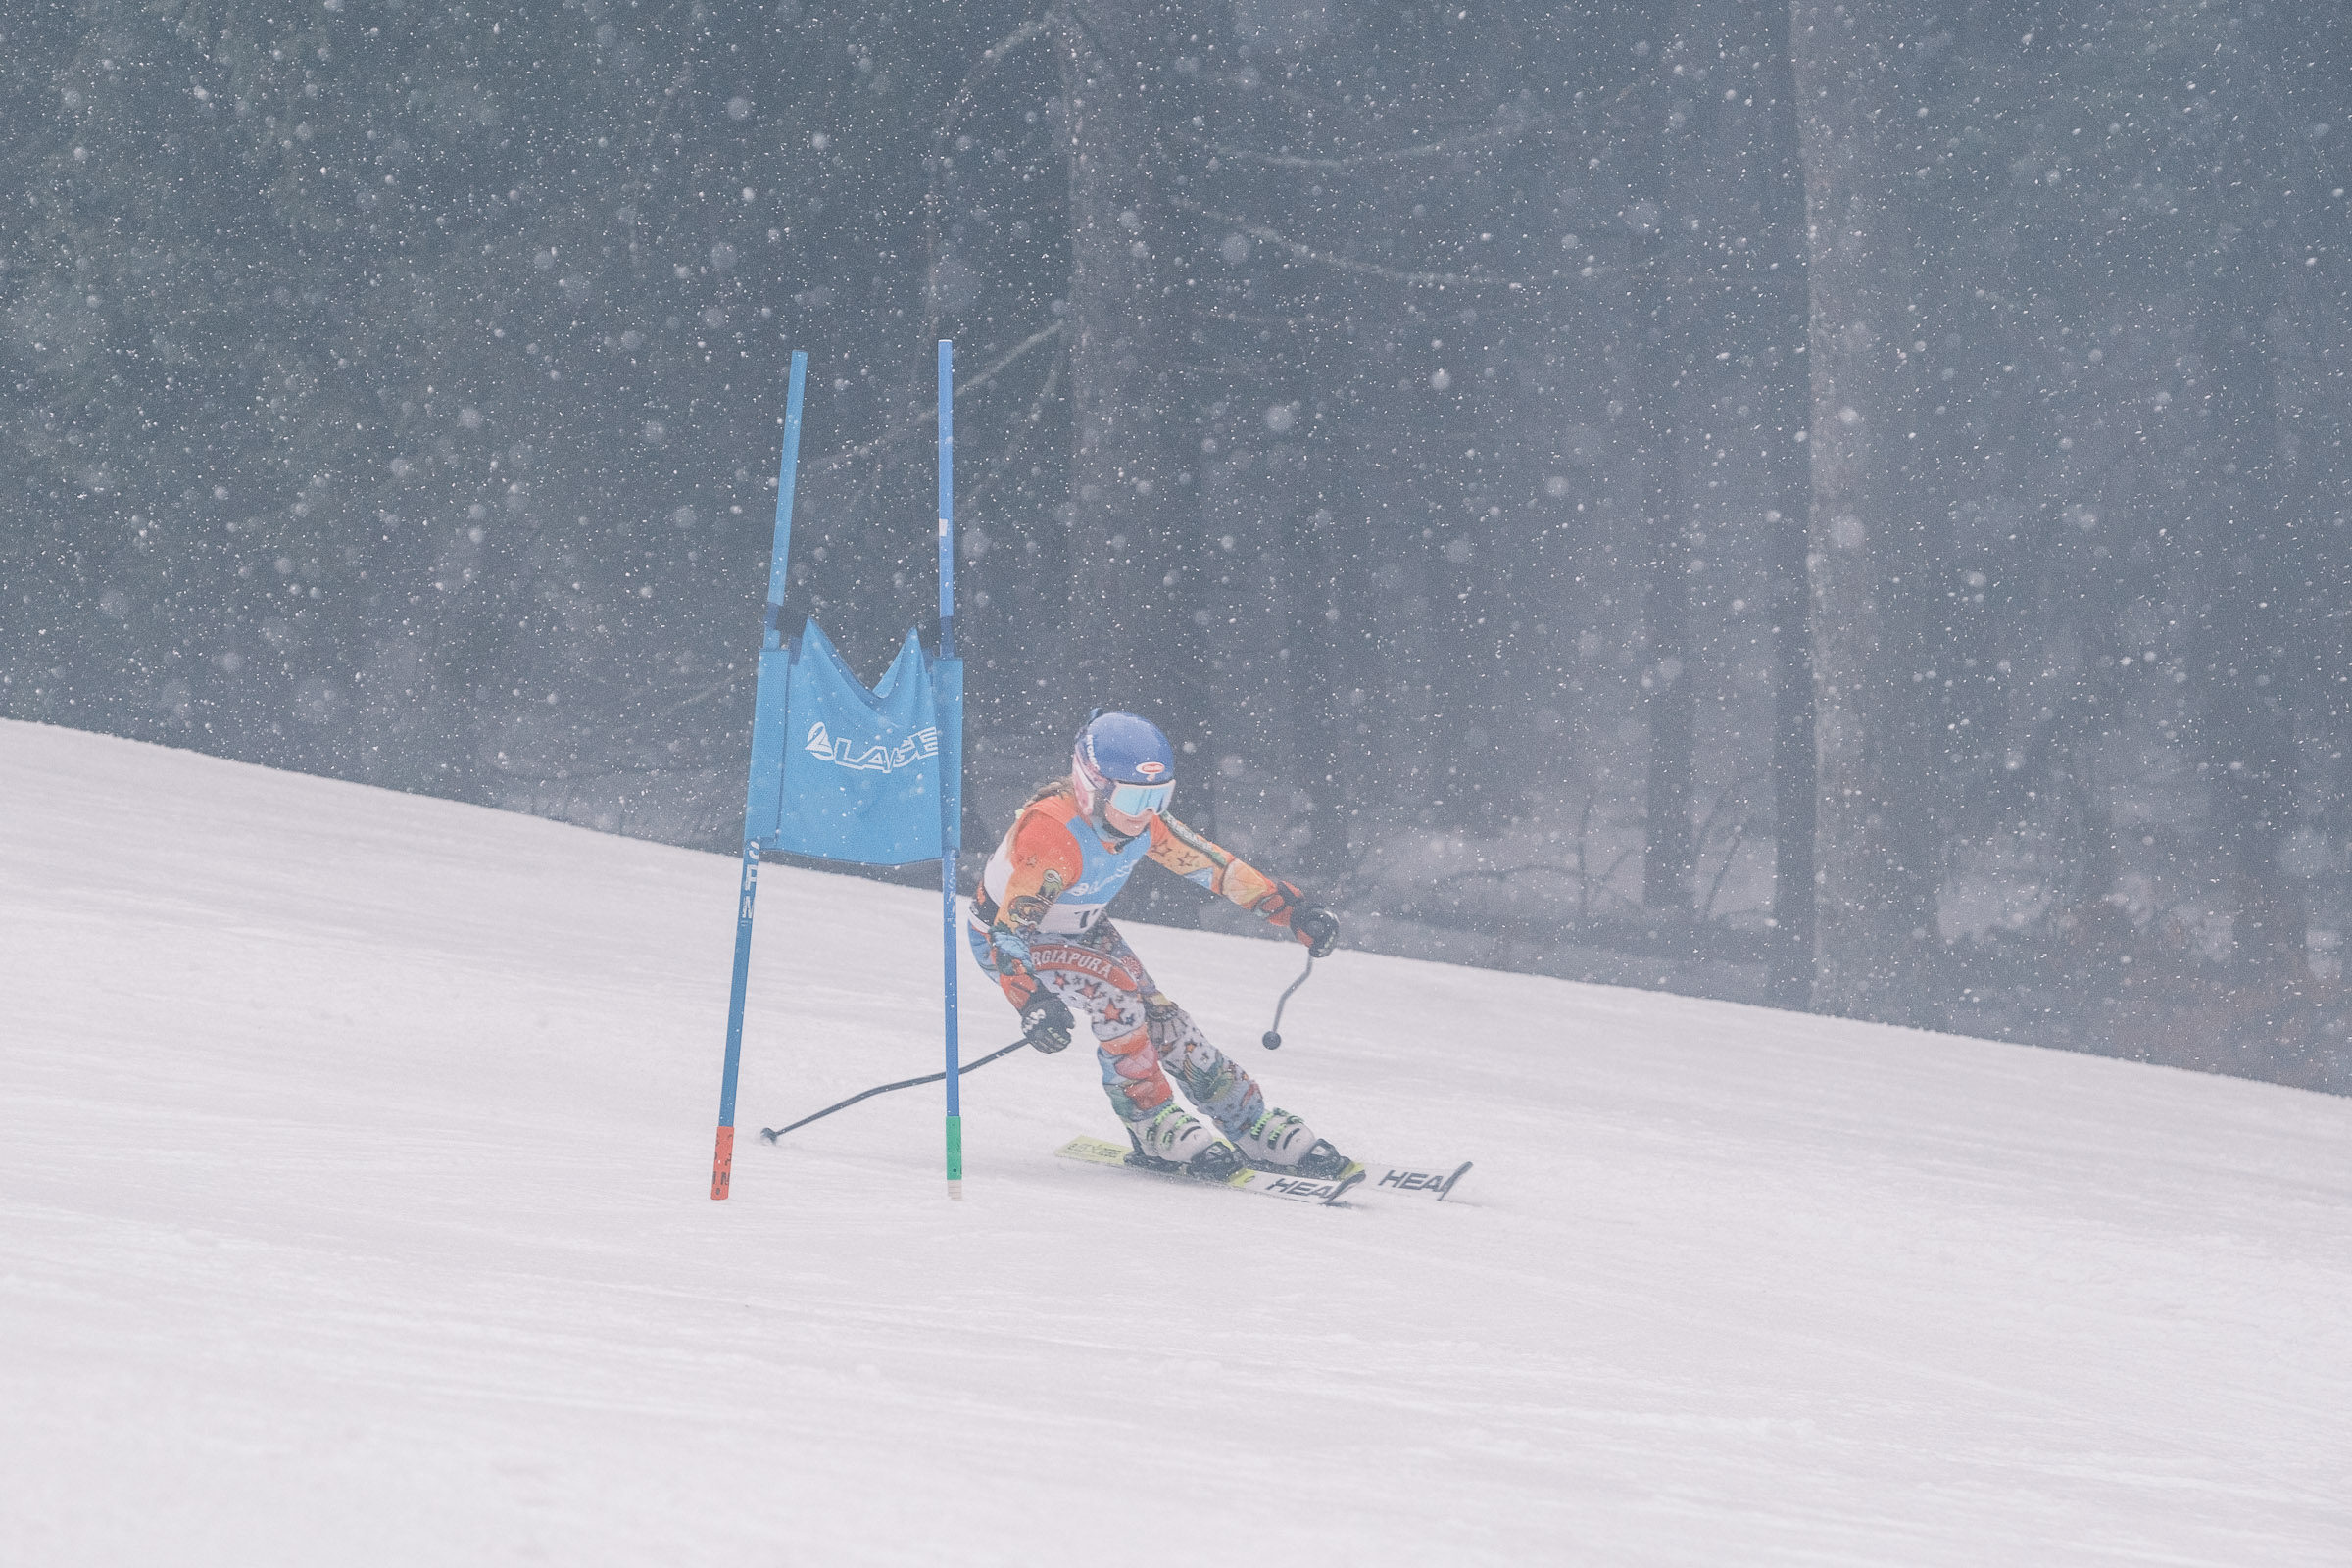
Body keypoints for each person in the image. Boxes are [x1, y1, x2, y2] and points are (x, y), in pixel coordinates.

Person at [966, 711, 1348, 1179]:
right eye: (1133, 797)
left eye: (1158, 797)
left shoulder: (1144, 825)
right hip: (1012, 942)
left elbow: (1214, 867)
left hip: (1081, 928)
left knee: (1163, 1016)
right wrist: (1032, 1000)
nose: (1145, 812)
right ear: (1092, 787)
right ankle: (1150, 1121)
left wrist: (1292, 910)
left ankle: (1247, 1121)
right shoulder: (1053, 833)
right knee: (1116, 998)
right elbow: (1009, 932)